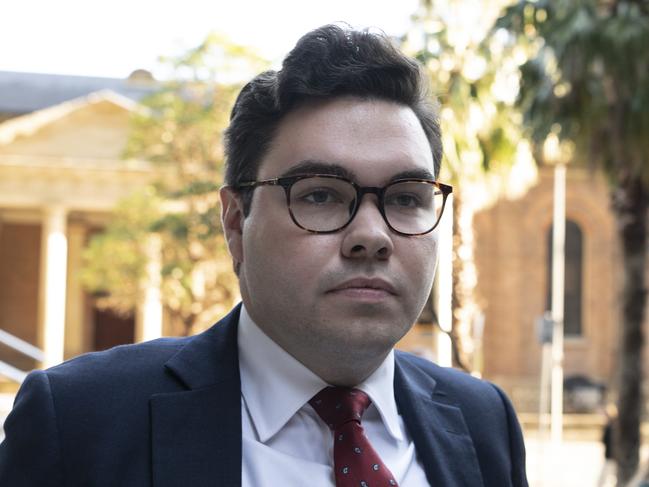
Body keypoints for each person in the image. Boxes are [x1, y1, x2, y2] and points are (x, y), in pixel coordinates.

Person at [0, 24, 528, 486]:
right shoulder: (78, 423)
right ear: (236, 223)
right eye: (320, 194)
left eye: (406, 198)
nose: (372, 235)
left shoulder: (484, 423)